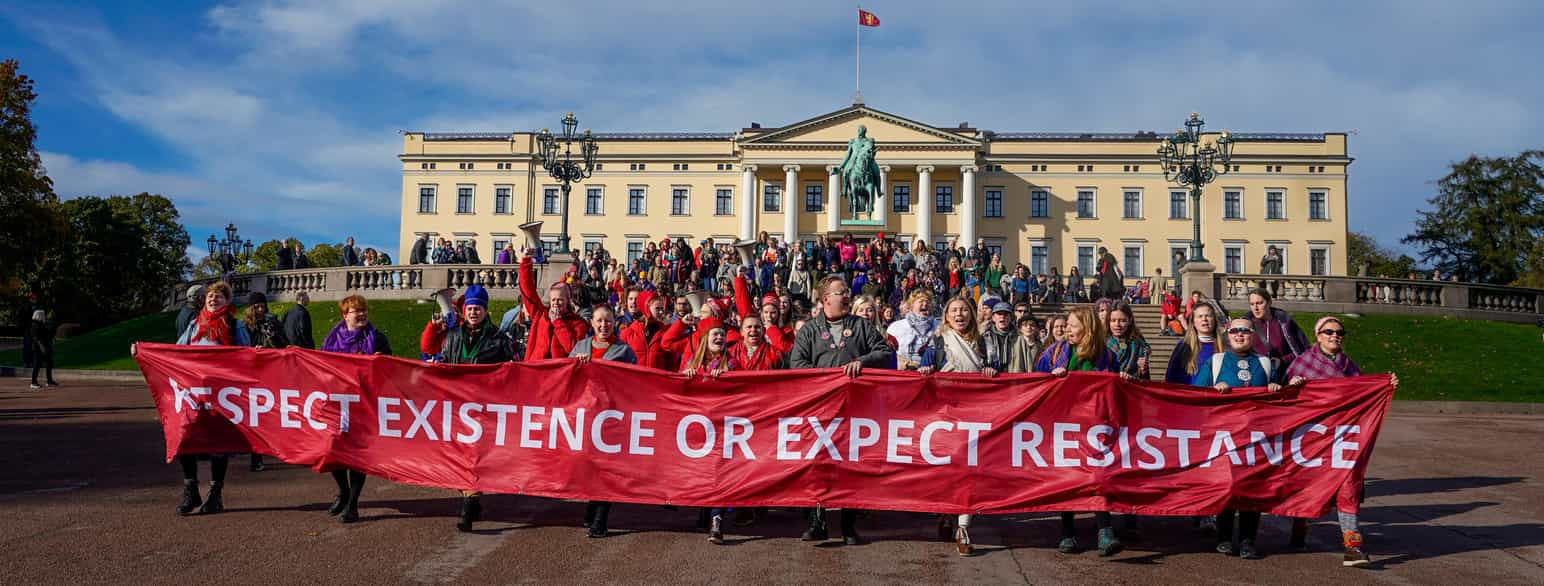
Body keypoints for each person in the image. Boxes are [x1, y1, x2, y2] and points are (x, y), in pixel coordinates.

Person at [1283, 316, 1397, 568]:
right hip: (1311, 437)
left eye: (1339, 332)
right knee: (1308, 487)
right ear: (1318, 335)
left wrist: (1385, 385)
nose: (1335, 336)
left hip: (1342, 436)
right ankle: (1299, 528)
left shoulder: (1350, 366)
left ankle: (1352, 545)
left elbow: (1363, 395)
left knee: (1348, 487)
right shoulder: (1303, 363)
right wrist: (1292, 386)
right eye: (1329, 332)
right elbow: (1285, 399)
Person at [789, 276, 895, 545]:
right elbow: (796, 364)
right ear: (826, 299)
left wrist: (862, 361)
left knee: (850, 465)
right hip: (820, 408)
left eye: (847, 292)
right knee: (818, 464)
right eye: (840, 292)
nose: (847, 295)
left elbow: (884, 352)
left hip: (855, 407)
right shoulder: (810, 330)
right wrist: (824, 376)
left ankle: (848, 526)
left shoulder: (861, 325)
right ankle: (818, 522)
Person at [1193, 318, 1284, 560]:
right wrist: (1212, 390)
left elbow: (1282, 402)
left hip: (1256, 437)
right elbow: (1194, 393)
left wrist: (1276, 387)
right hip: (1223, 436)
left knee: (1252, 490)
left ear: (1253, 335)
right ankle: (1223, 538)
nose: (1240, 335)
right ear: (1227, 334)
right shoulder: (1216, 362)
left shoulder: (1264, 363)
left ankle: (1247, 541)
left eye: (1245, 330)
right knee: (1227, 486)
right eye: (1235, 331)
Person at [1034, 306, 1121, 556]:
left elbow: (1115, 387)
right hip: (1062, 423)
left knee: (1098, 476)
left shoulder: (1107, 355)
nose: (1067, 330)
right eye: (1067, 325)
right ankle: (1067, 532)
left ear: (1088, 326)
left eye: (1072, 325)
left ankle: (1105, 530)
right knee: (1068, 478)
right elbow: (1034, 383)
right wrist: (1052, 378)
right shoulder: (1054, 352)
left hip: (1095, 425)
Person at [918, 296, 997, 556]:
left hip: (974, 416)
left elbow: (996, 370)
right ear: (947, 316)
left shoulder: (984, 344)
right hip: (944, 418)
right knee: (945, 472)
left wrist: (990, 372)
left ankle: (963, 527)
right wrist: (926, 369)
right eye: (954, 310)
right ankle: (946, 513)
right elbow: (924, 369)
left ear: (972, 315)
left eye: (964, 310)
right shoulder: (939, 343)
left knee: (969, 473)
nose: (959, 314)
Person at [168, 282, 251, 515]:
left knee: (218, 444)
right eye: (210, 296)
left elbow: (245, 356)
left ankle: (215, 494)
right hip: (194, 392)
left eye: (219, 297)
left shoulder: (235, 325)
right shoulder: (195, 323)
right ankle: (191, 489)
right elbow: (177, 350)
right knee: (185, 437)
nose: (213, 299)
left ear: (227, 301)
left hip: (222, 393)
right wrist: (144, 351)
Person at [434, 285, 512, 531]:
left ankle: (468, 508)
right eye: (470, 308)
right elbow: (445, 362)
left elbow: (513, 371)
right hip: (457, 407)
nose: (474, 312)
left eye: (478, 307)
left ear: (485, 310)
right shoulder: (453, 335)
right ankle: (472, 498)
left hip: (483, 408)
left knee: (474, 457)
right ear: (464, 310)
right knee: (458, 457)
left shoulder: (499, 339)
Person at [319, 295, 392, 523]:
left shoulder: (376, 338)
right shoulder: (331, 339)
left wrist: (380, 361)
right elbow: (319, 365)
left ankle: (352, 505)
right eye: (355, 311)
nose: (361, 314)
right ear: (345, 315)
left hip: (364, 403)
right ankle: (344, 491)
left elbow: (391, 366)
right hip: (337, 402)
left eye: (363, 310)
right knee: (332, 451)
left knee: (357, 455)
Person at [570, 305, 638, 538]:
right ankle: (592, 505)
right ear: (592, 323)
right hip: (585, 416)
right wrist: (576, 366)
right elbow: (565, 379)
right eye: (599, 321)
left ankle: (600, 519)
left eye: (608, 321)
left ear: (614, 323)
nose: (603, 325)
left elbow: (635, 382)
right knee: (587, 466)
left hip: (610, 417)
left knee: (607, 469)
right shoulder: (580, 347)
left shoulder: (624, 351)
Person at [241, 292, 287, 471]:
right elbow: (239, 346)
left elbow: (284, 345)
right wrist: (253, 350)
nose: (261, 309)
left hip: (270, 373)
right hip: (251, 374)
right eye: (257, 306)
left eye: (263, 306)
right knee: (254, 416)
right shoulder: (244, 325)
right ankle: (256, 456)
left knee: (270, 414)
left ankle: (271, 448)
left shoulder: (273, 322)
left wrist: (273, 336)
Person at [518, 247, 591, 360]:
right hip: (536, 371)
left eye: (560, 299)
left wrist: (558, 322)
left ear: (568, 300)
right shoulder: (541, 315)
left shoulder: (578, 323)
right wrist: (526, 261)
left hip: (559, 373)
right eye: (553, 300)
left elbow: (573, 349)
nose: (556, 303)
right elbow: (528, 292)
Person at [1245, 288, 1309, 372]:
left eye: (1260, 303)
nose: (1255, 308)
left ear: (1269, 303)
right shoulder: (1246, 325)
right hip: (1255, 373)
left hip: (1285, 373)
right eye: (1252, 304)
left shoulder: (1284, 322)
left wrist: (1282, 361)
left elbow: (1301, 350)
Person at [1165, 302, 1220, 385]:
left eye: (1208, 316)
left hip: (1215, 395)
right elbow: (1171, 377)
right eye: (1200, 316)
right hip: (1189, 395)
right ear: (1193, 322)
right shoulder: (1183, 346)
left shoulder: (1226, 347)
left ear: (1215, 320)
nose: (1204, 319)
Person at [888, 290, 939, 371]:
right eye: (921, 301)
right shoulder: (896, 327)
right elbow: (888, 353)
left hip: (929, 375)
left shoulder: (939, 326)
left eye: (928, 302)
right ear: (912, 305)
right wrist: (897, 363)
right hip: (902, 375)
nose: (925, 304)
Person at [1106, 301, 1150, 380]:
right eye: (1113, 320)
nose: (1117, 325)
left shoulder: (1138, 344)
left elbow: (1145, 380)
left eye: (1122, 320)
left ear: (1129, 320)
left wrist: (1143, 370)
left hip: (1130, 388)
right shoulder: (1100, 343)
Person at [980, 301, 1018, 373]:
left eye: (1006, 314)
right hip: (992, 377)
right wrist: (986, 368)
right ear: (993, 318)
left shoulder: (1018, 337)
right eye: (999, 314)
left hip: (1014, 377)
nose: (1002, 316)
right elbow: (980, 359)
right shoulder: (985, 337)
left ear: (1011, 317)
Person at [29, 303, 57, 389]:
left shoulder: (41, 324)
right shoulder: (35, 325)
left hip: (44, 346)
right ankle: (33, 382)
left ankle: (49, 380)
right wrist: (42, 347)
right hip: (39, 347)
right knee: (37, 364)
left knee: (49, 363)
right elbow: (37, 338)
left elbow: (46, 335)